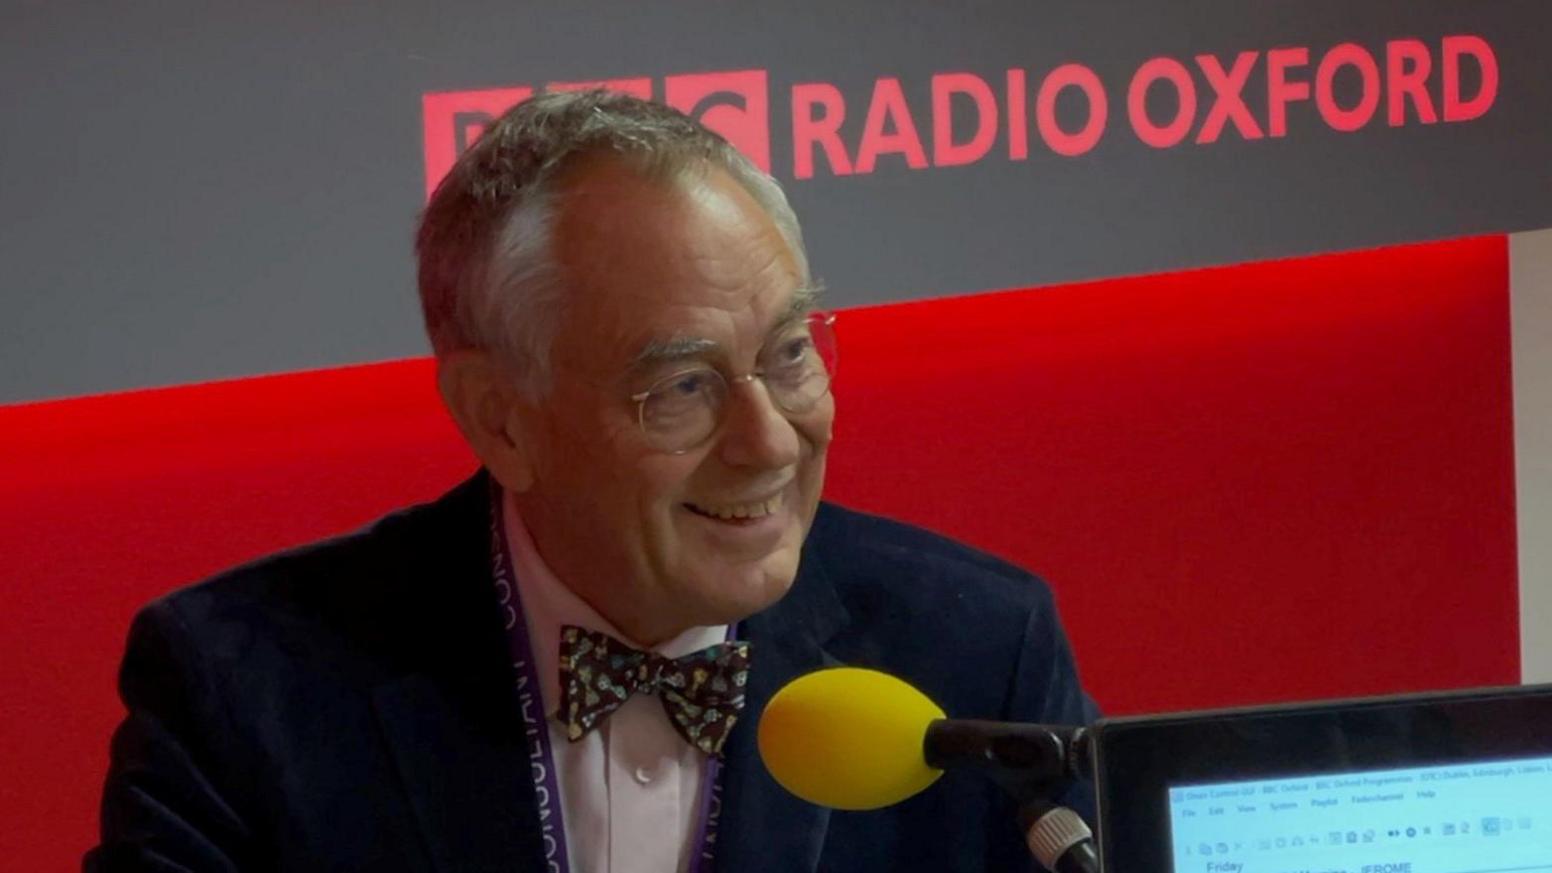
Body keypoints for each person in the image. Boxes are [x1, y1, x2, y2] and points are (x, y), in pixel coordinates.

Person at [88, 90, 1098, 872]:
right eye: (681, 386)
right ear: (501, 420)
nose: (769, 443)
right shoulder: (242, 690)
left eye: (789, 352)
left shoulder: (974, 652)